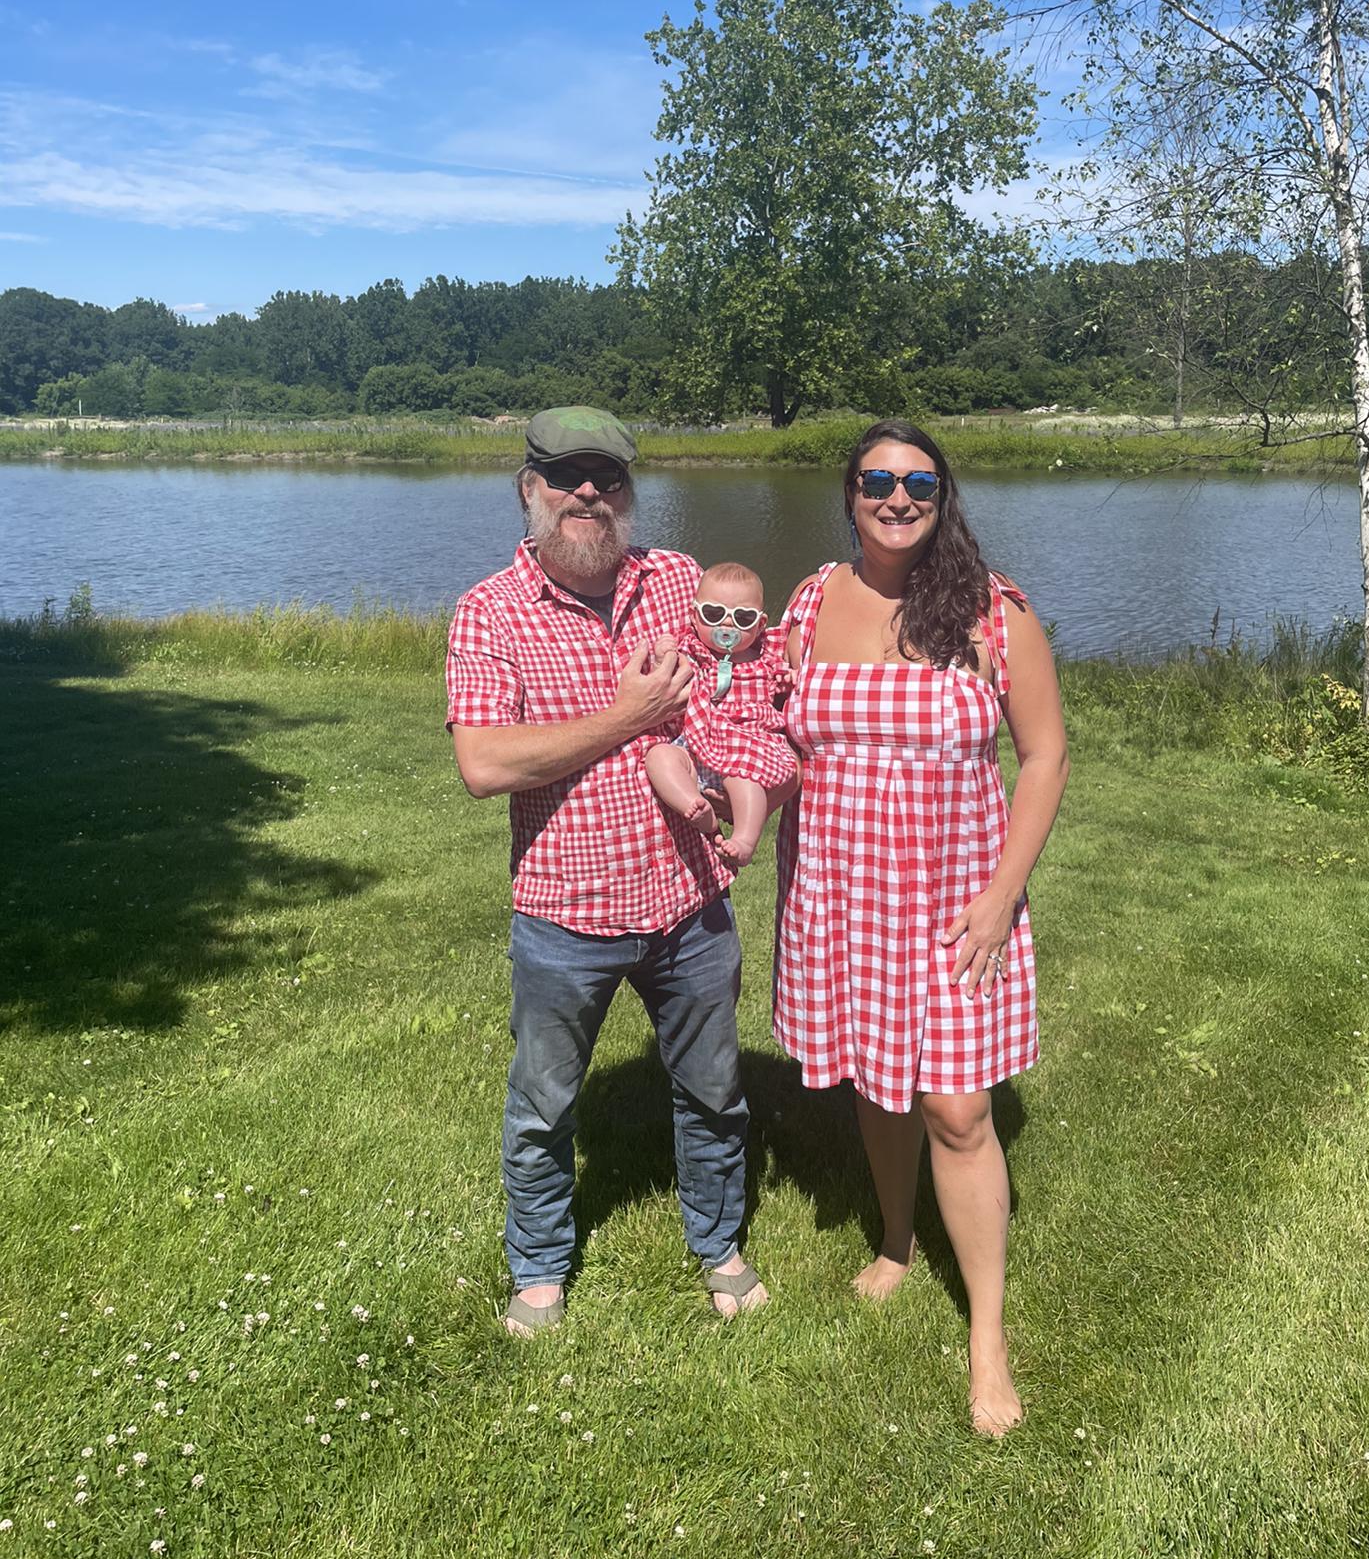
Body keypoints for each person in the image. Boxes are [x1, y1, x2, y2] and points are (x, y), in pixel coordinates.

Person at [445, 406, 773, 1332]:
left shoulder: (675, 581)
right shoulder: (489, 610)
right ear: (530, 491)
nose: (589, 491)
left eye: (609, 477)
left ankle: (718, 1243)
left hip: (689, 900)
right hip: (563, 912)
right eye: (566, 475)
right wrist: (626, 719)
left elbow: (759, 658)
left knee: (714, 1091)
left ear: (631, 494)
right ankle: (539, 1266)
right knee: (544, 1105)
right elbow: (485, 765)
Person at [774, 419, 1069, 1436]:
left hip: (955, 903)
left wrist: (1001, 893)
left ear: (944, 498)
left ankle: (987, 1333)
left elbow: (1045, 756)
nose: (897, 497)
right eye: (877, 479)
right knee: (876, 1077)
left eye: (919, 482)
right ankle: (898, 1239)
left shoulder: (993, 612)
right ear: (848, 491)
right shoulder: (809, 602)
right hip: (842, 895)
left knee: (957, 1108)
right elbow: (757, 716)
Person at [643, 561, 797, 868]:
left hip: (746, 745)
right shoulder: (694, 651)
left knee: (745, 781)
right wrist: (664, 655)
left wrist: (789, 677)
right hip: (699, 742)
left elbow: (784, 678)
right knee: (659, 756)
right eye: (714, 615)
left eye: (742, 618)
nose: (727, 626)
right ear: (694, 617)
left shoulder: (765, 657)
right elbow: (665, 677)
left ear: (760, 623)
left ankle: (745, 840)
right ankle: (694, 805)